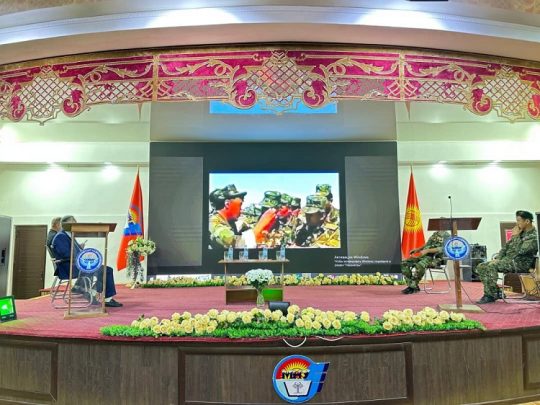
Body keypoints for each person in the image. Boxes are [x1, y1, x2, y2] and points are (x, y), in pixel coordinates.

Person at [51, 215, 122, 307]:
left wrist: (83, 254)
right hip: (69, 267)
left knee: (105, 270)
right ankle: (98, 296)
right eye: (73, 222)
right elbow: (66, 254)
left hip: (76, 264)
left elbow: (73, 252)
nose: (76, 224)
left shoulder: (68, 235)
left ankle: (91, 293)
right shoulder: (61, 236)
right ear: (65, 224)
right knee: (105, 270)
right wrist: (83, 258)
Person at [476, 210, 538, 304]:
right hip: (508, 261)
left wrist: (515, 236)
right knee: (481, 266)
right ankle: (496, 292)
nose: (517, 223)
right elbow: (505, 248)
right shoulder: (520, 233)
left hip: (520, 263)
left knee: (491, 266)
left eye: (519, 220)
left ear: (527, 221)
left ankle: (490, 295)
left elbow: (521, 251)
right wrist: (498, 259)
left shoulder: (534, 236)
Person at [208, 185, 274, 248]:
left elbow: (248, 228)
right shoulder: (213, 224)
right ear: (227, 204)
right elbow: (236, 243)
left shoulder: (231, 222)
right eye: (240, 205)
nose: (241, 210)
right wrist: (262, 223)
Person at [401, 229, 451, 294]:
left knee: (420, 265)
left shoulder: (447, 236)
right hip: (424, 256)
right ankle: (412, 285)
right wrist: (418, 249)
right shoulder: (435, 234)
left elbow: (442, 249)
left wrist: (427, 251)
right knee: (404, 264)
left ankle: (412, 287)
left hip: (435, 259)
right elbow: (427, 244)